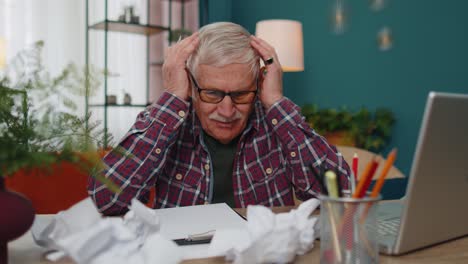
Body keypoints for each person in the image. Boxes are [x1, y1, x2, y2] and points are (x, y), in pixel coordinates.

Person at [88, 22, 350, 216]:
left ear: (258, 84)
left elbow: (341, 196)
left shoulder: (275, 123)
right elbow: (106, 201)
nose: (226, 111)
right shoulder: (168, 121)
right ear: (191, 83)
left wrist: (276, 103)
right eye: (212, 93)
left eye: (240, 94)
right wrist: (172, 97)